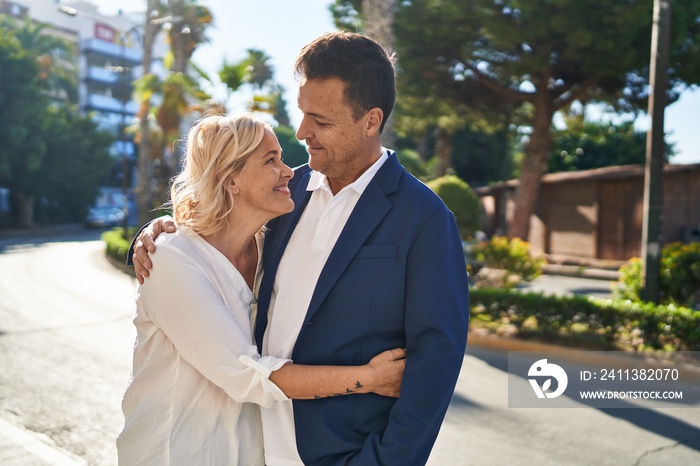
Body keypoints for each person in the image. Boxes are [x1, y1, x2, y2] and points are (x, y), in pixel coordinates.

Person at [132, 31, 470, 465]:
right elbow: (216, 239)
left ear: (371, 120)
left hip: (341, 455)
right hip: (252, 447)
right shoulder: (287, 199)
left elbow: (435, 365)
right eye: (303, 113)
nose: (302, 132)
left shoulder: (424, 218)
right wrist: (160, 230)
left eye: (321, 121)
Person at [118, 113, 405, 466]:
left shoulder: (270, 248)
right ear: (231, 179)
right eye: (271, 160)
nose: (289, 171)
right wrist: (369, 378)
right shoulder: (172, 259)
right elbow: (244, 375)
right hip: (174, 454)